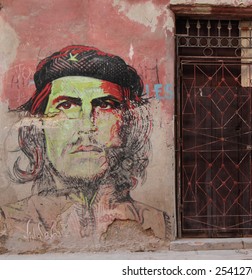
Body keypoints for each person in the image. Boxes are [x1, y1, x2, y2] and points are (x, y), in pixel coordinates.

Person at [0, 45, 169, 245]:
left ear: (127, 125)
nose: (87, 126)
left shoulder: (156, 223)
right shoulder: (8, 223)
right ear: (39, 126)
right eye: (66, 105)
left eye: (105, 105)